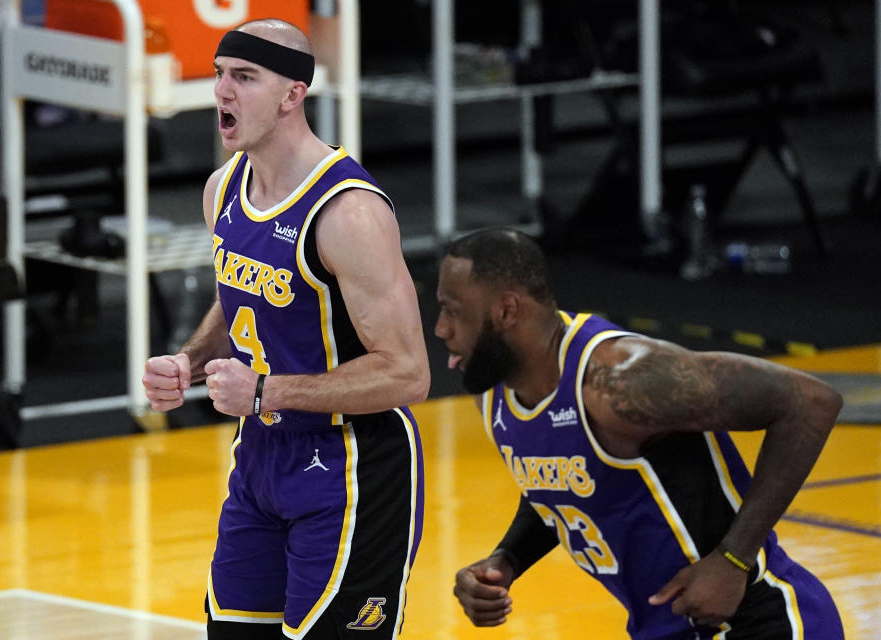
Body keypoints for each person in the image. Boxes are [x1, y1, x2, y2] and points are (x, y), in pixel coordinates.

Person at [142, 19, 429, 640]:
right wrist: (188, 364)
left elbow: (408, 373)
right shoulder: (223, 189)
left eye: (243, 77)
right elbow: (244, 301)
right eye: (220, 73)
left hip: (352, 466)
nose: (222, 90)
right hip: (260, 460)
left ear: (292, 94)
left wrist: (267, 391)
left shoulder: (349, 211)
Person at [434, 227, 844, 639]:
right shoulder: (497, 395)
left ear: (506, 311)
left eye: (452, 311)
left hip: (757, 621)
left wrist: (732, 560)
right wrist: (506, 560)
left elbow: (810, 403)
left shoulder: (618, 381)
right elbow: (561, 479)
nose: (440, 329)